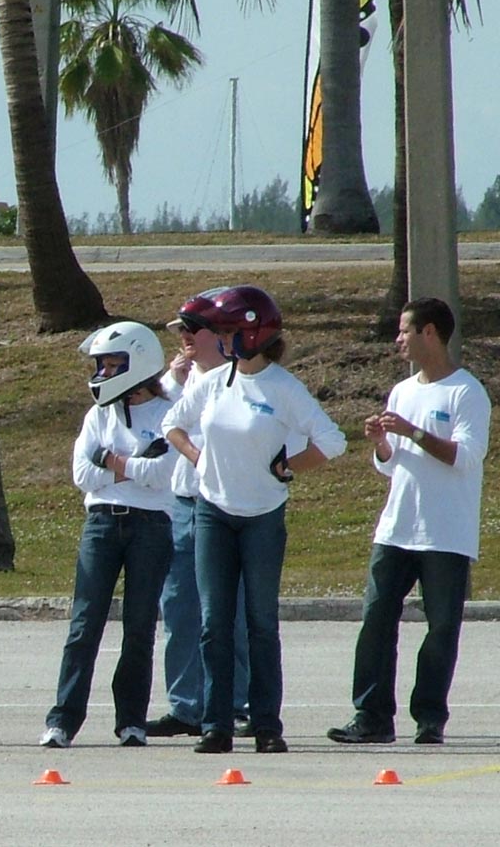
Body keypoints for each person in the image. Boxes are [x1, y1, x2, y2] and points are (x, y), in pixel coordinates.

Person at [163, 285, 346, 754]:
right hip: (213, 514)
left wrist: (289, 468)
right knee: (213, 623)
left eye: (228, 332)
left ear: (254, 334)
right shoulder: (214, 381)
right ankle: (216, 725)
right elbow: (172, 425)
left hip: (263, 518)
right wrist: (199, 459)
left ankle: (267, 725)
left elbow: (332, 440)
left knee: (261, 623)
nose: (222, 340)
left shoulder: (283, 388)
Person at [328, 297, 491, 746]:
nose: (398, 339)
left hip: (445, 532)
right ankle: (372, 715)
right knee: (376, 619)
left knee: (441, 627)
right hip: (398, 527)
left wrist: (412, 432)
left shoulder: (466, 392)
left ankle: (430, 717)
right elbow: (391, 464)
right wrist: (383, 444)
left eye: (405, 330)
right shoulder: (402, 391)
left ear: (430, 333)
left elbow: (465, 456)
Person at [40, 321, 177, 749]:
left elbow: (163, 475)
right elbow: (83, 474)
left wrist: (111, 460)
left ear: (139, 363)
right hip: (101, 523)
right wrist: (134, 462)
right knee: (84, 625)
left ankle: (131, 721)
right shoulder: (98, 414)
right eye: (101, 366)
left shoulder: (170, 414)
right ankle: (63, 721)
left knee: (139, 626)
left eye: (113, 365)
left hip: (151, 526)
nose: (103, 374)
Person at [146, 290, 253, 740]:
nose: (184, 338)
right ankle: (186, 706)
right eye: (181, 331)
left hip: (225, 506)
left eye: (192, 330)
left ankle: (237, 704)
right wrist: (172, 382)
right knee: (179, 608)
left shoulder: (239, 378)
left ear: (219, 334)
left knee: (231, 611)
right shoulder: (179, 381)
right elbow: (156, 421)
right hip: (182, 504)